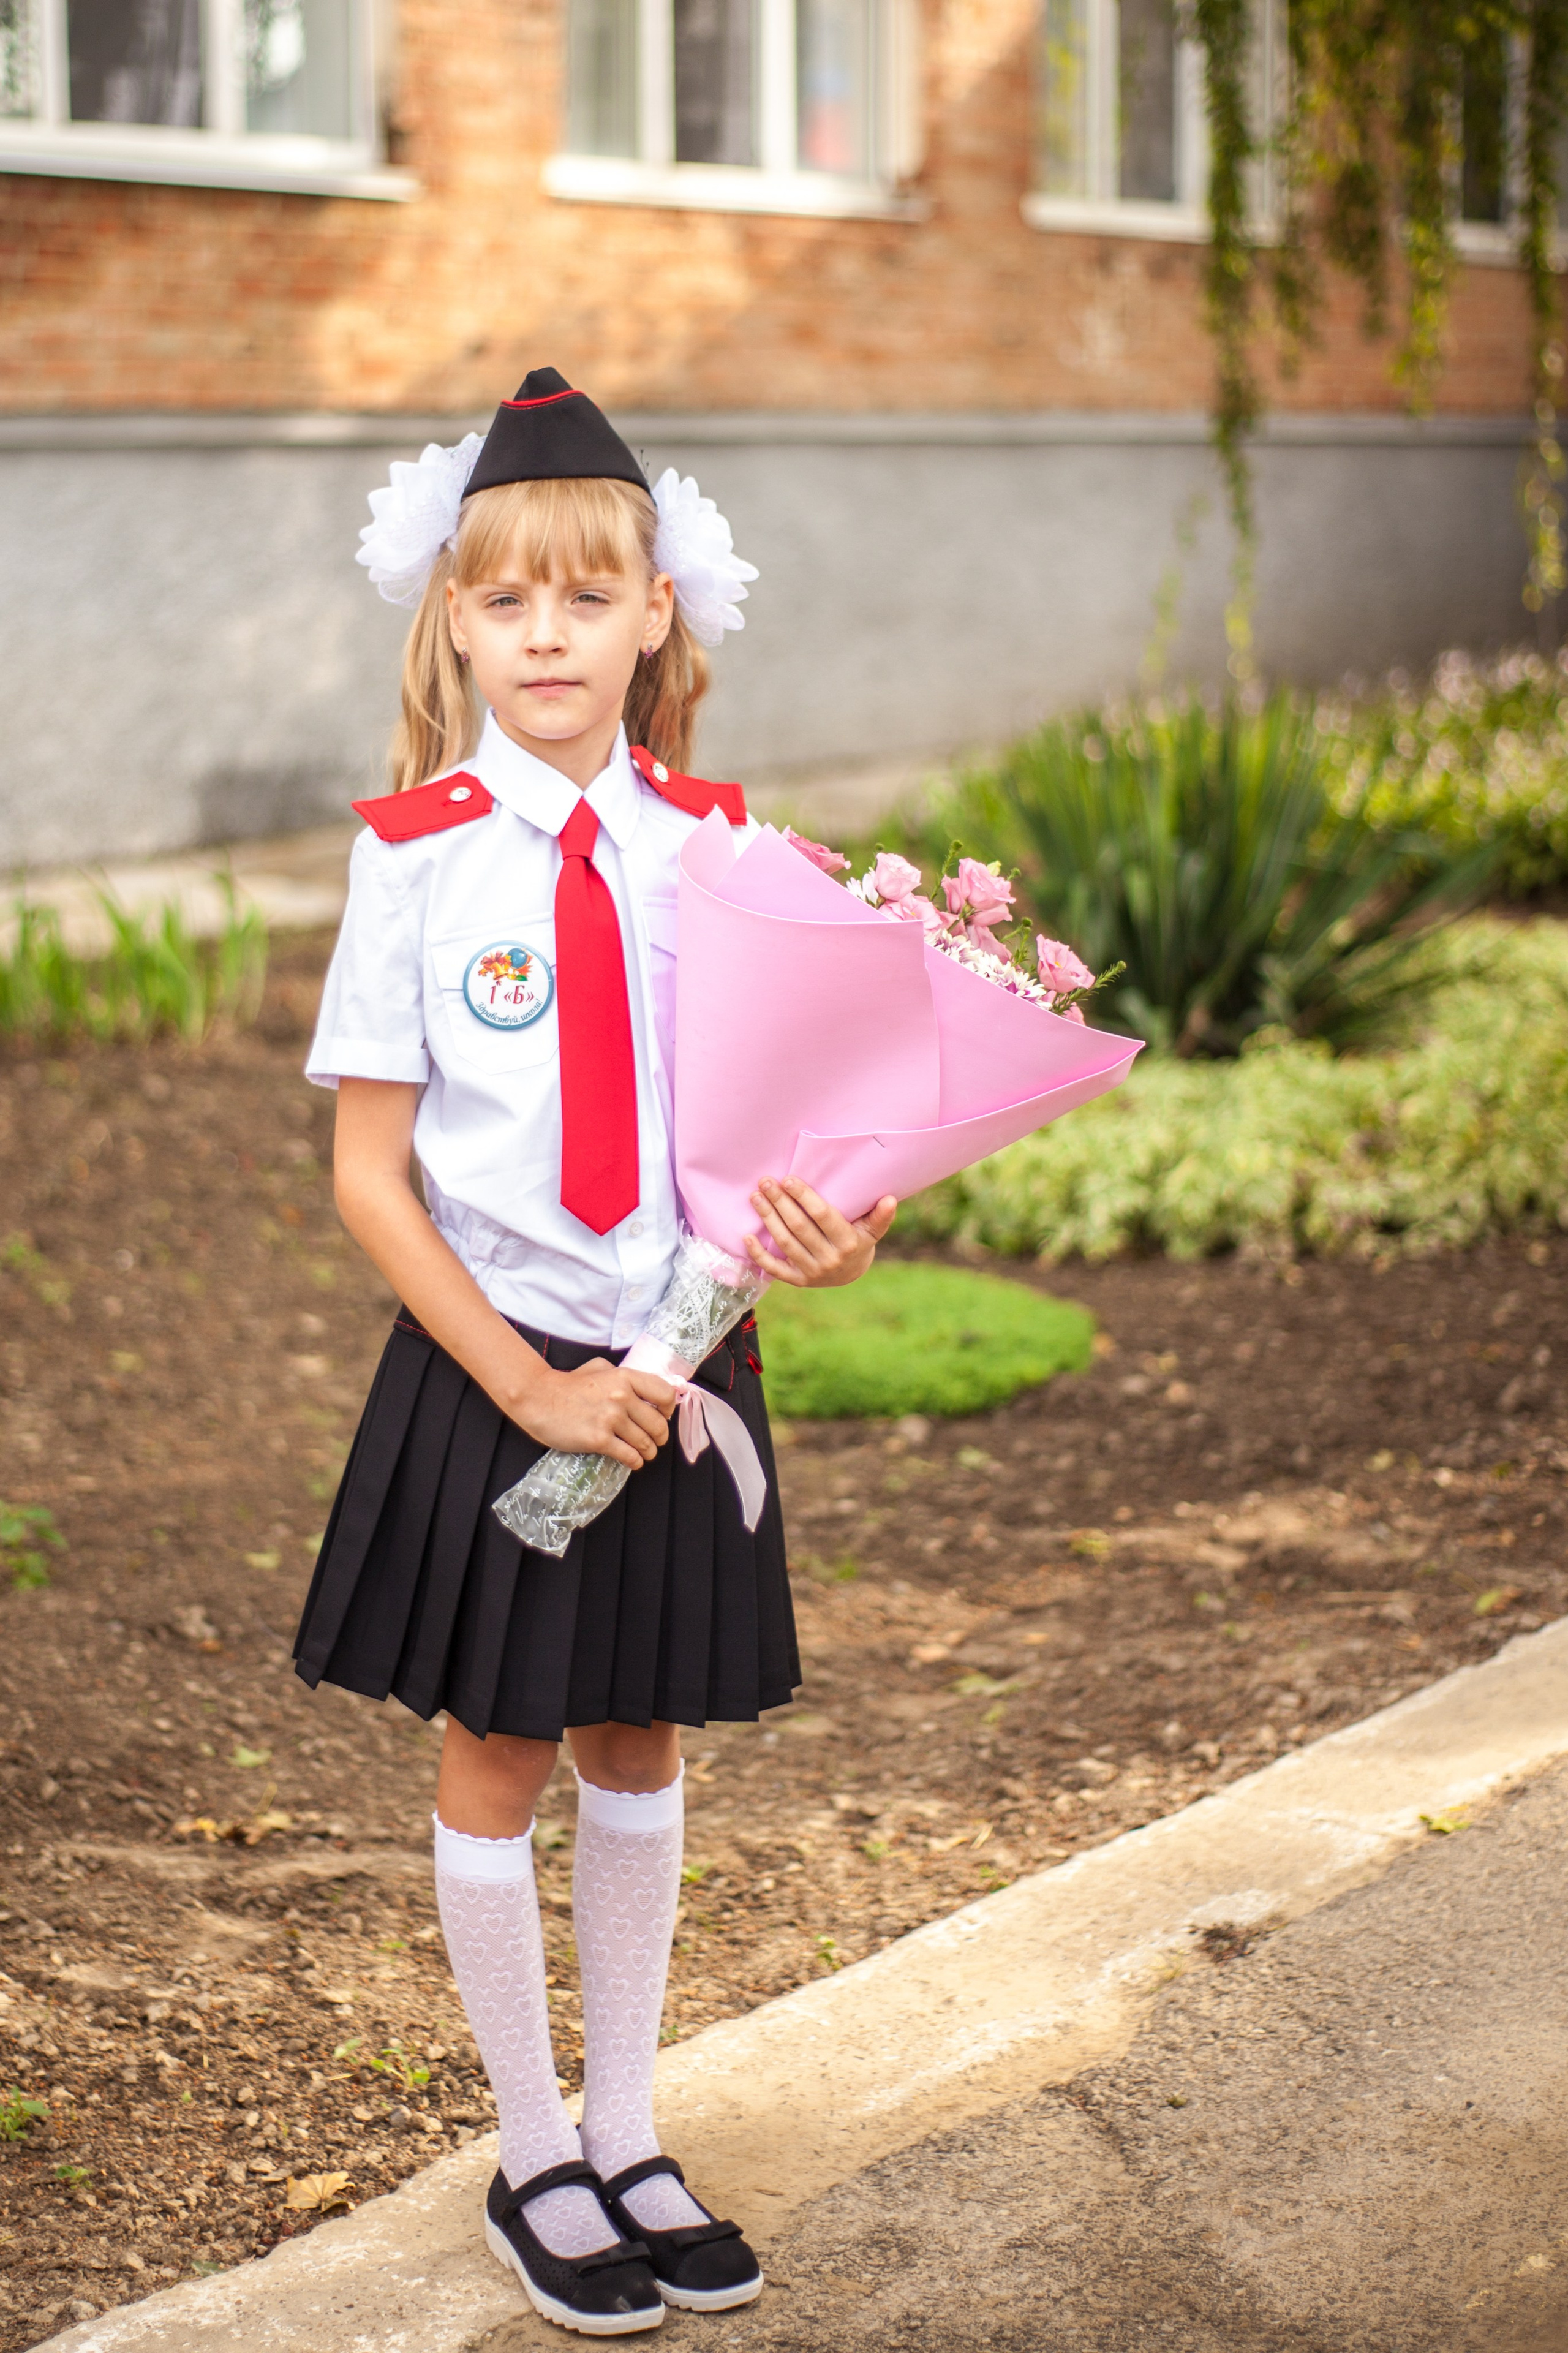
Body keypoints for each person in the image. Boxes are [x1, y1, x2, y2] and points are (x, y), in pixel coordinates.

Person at [293, 369, 897, 2337]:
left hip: (681, 1361)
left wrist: (841, 1225)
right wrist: (529, 1384)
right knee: (502, 1746)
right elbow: (370, 1174)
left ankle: (631, 2127)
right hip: (507, 1367)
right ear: (454, 621)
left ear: (658, 614)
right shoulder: (417, 853)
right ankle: (534, 2148)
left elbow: (796, 1134)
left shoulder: (724, 846)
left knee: (639, 1735)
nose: (545, 633)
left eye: (585, 595)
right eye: (506, 599)